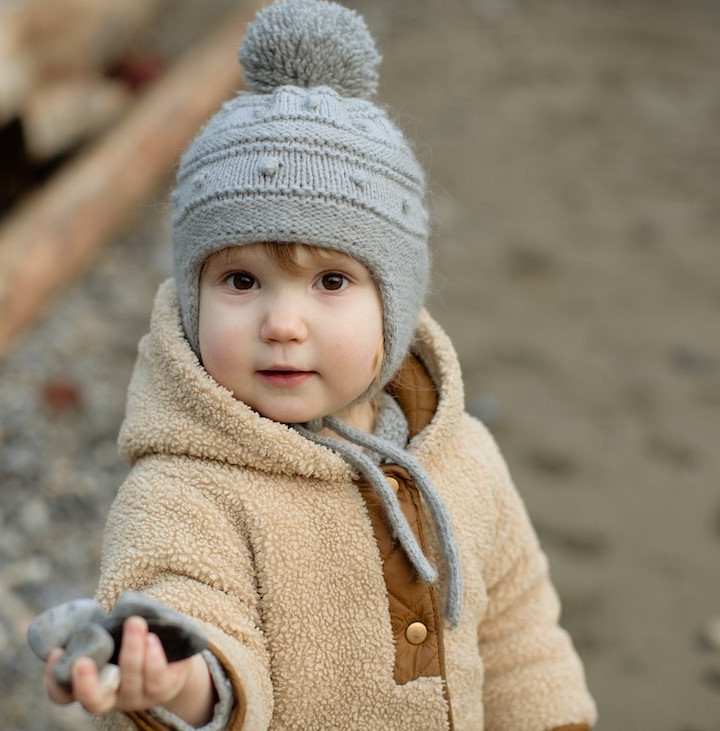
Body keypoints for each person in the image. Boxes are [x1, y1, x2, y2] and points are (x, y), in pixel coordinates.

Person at [39, 0, 597, 728]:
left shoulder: (460, 456)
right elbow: (197, 621)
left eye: (331, 281)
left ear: (393, 303)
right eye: (240, 281)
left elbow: (520, 632)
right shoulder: (183, 487)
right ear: (190, 299)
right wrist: (173, 677)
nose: (281, 323)